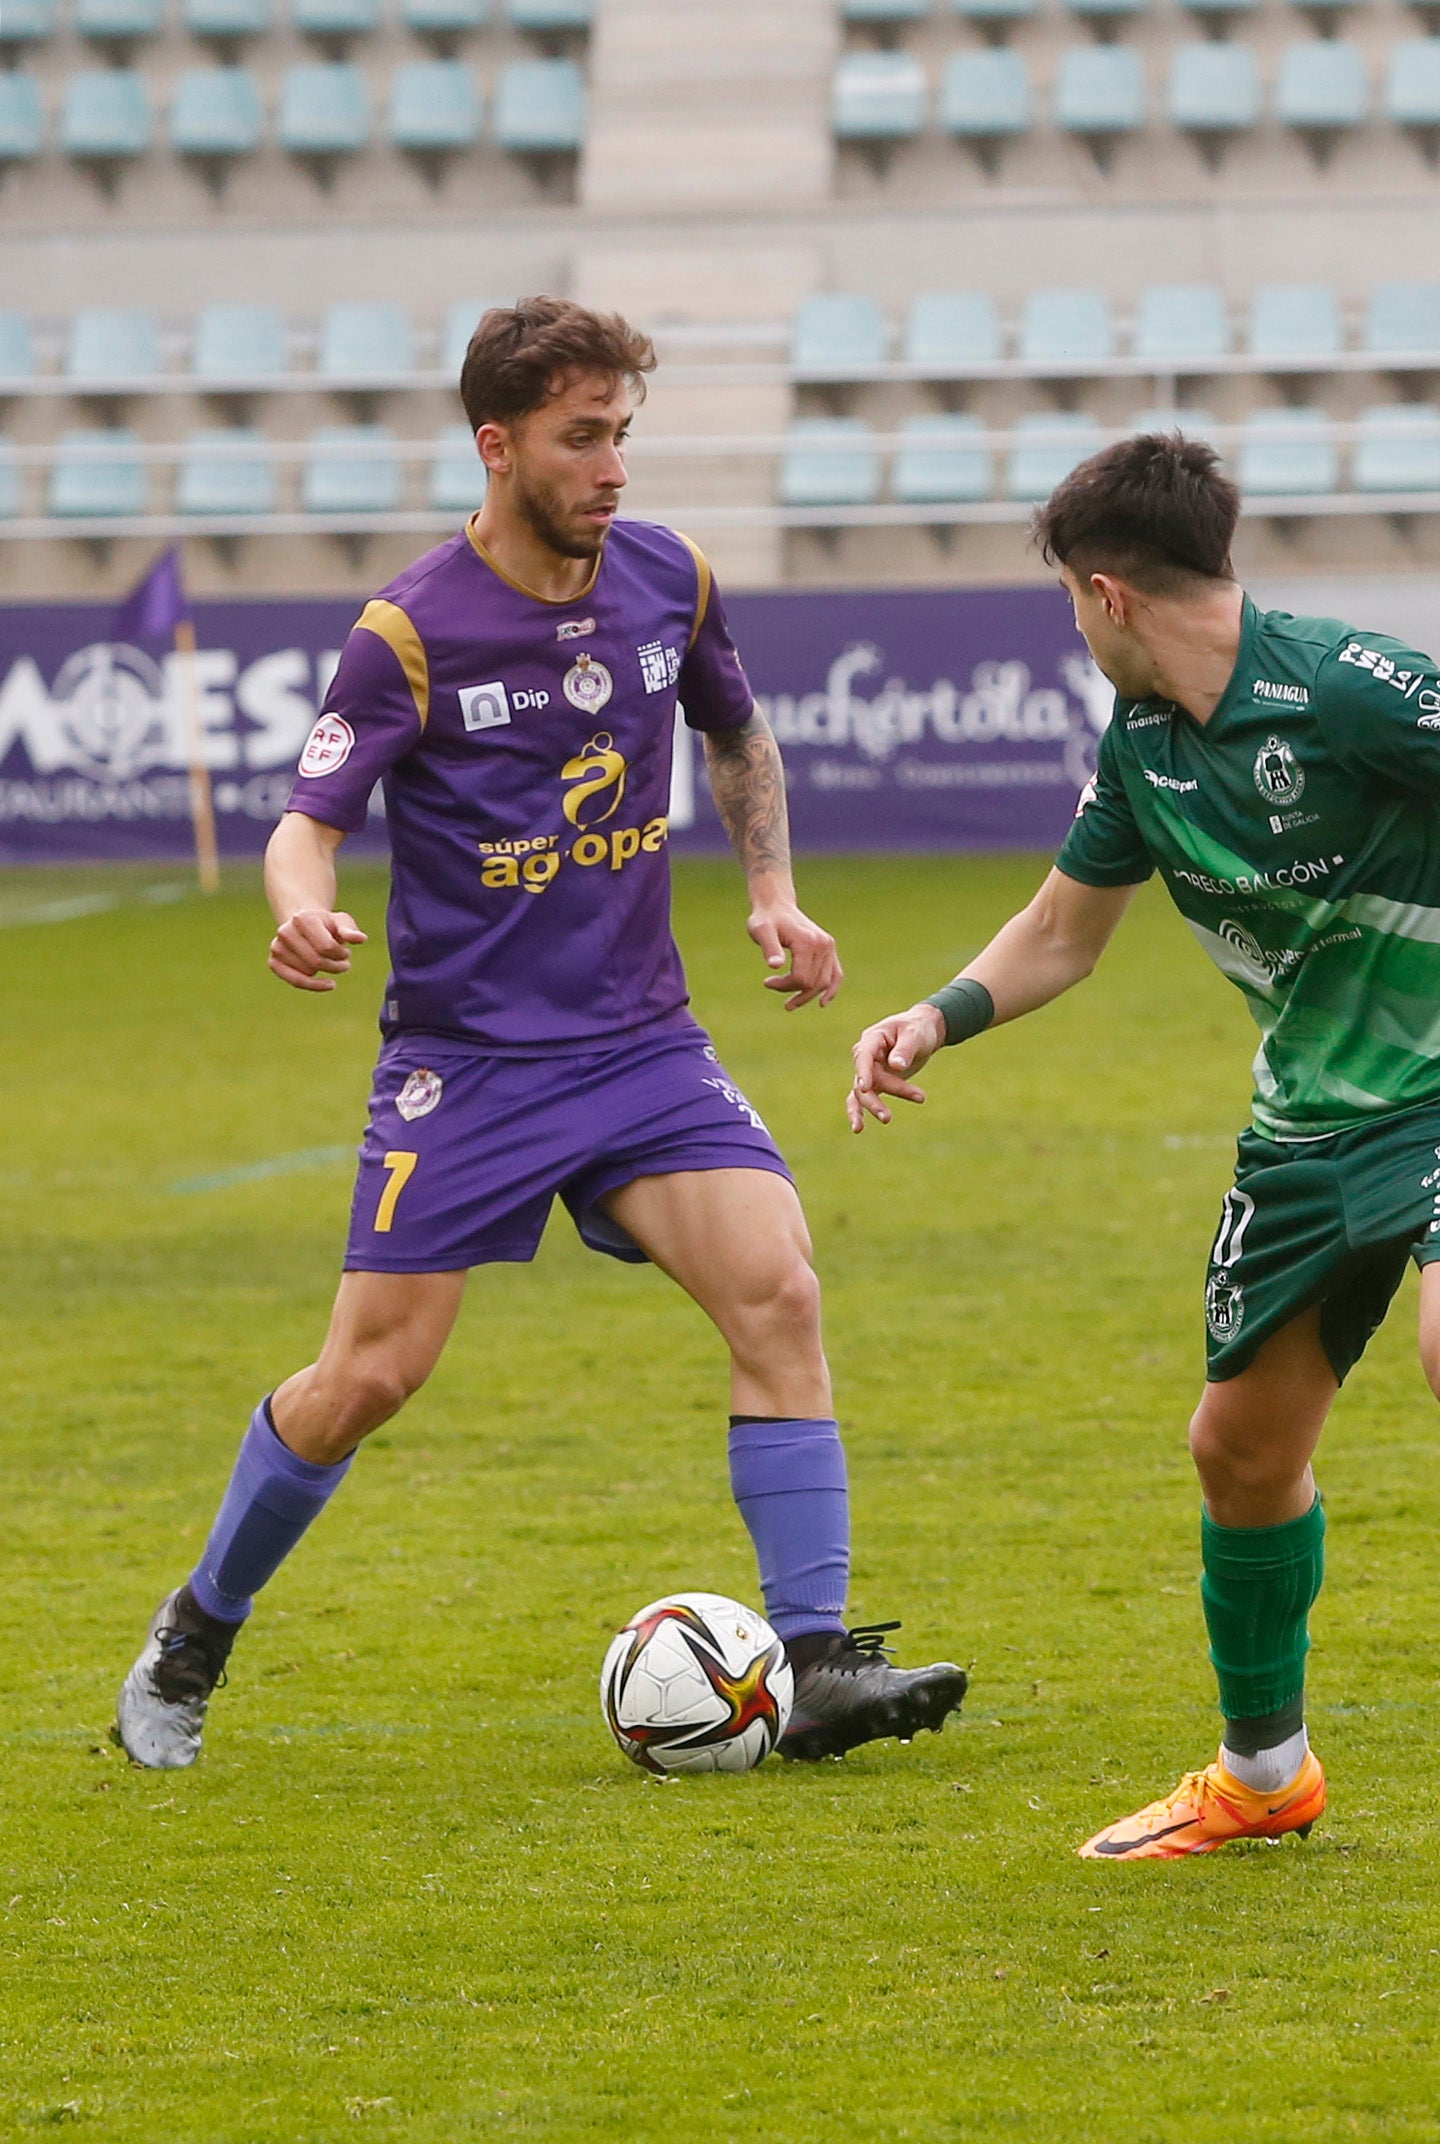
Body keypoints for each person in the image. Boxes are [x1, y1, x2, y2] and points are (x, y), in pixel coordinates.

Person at [847, 432, 1440, 1858]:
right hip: (1305, 1136)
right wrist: (937, 1018)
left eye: (1071, 608)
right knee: (1240, 1452)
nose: (1074, 633)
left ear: (1107, 591)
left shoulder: (1344, 683)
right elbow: (1063, 934)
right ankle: (1264, 1775)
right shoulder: (1143, 746)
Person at [116, 298, 966, 1771]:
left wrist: (774, 891)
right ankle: (195, 1632)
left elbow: (736, 731)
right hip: (473, 1068)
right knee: (367, 1380)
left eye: (623, 436)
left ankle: (816, 1661)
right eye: (584, 440)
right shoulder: (407, 632)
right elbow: (306, 823)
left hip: (641, 1047)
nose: (614, 470)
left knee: (779, 1292)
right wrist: (298, 905)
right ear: (498, 445)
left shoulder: (667, 577)